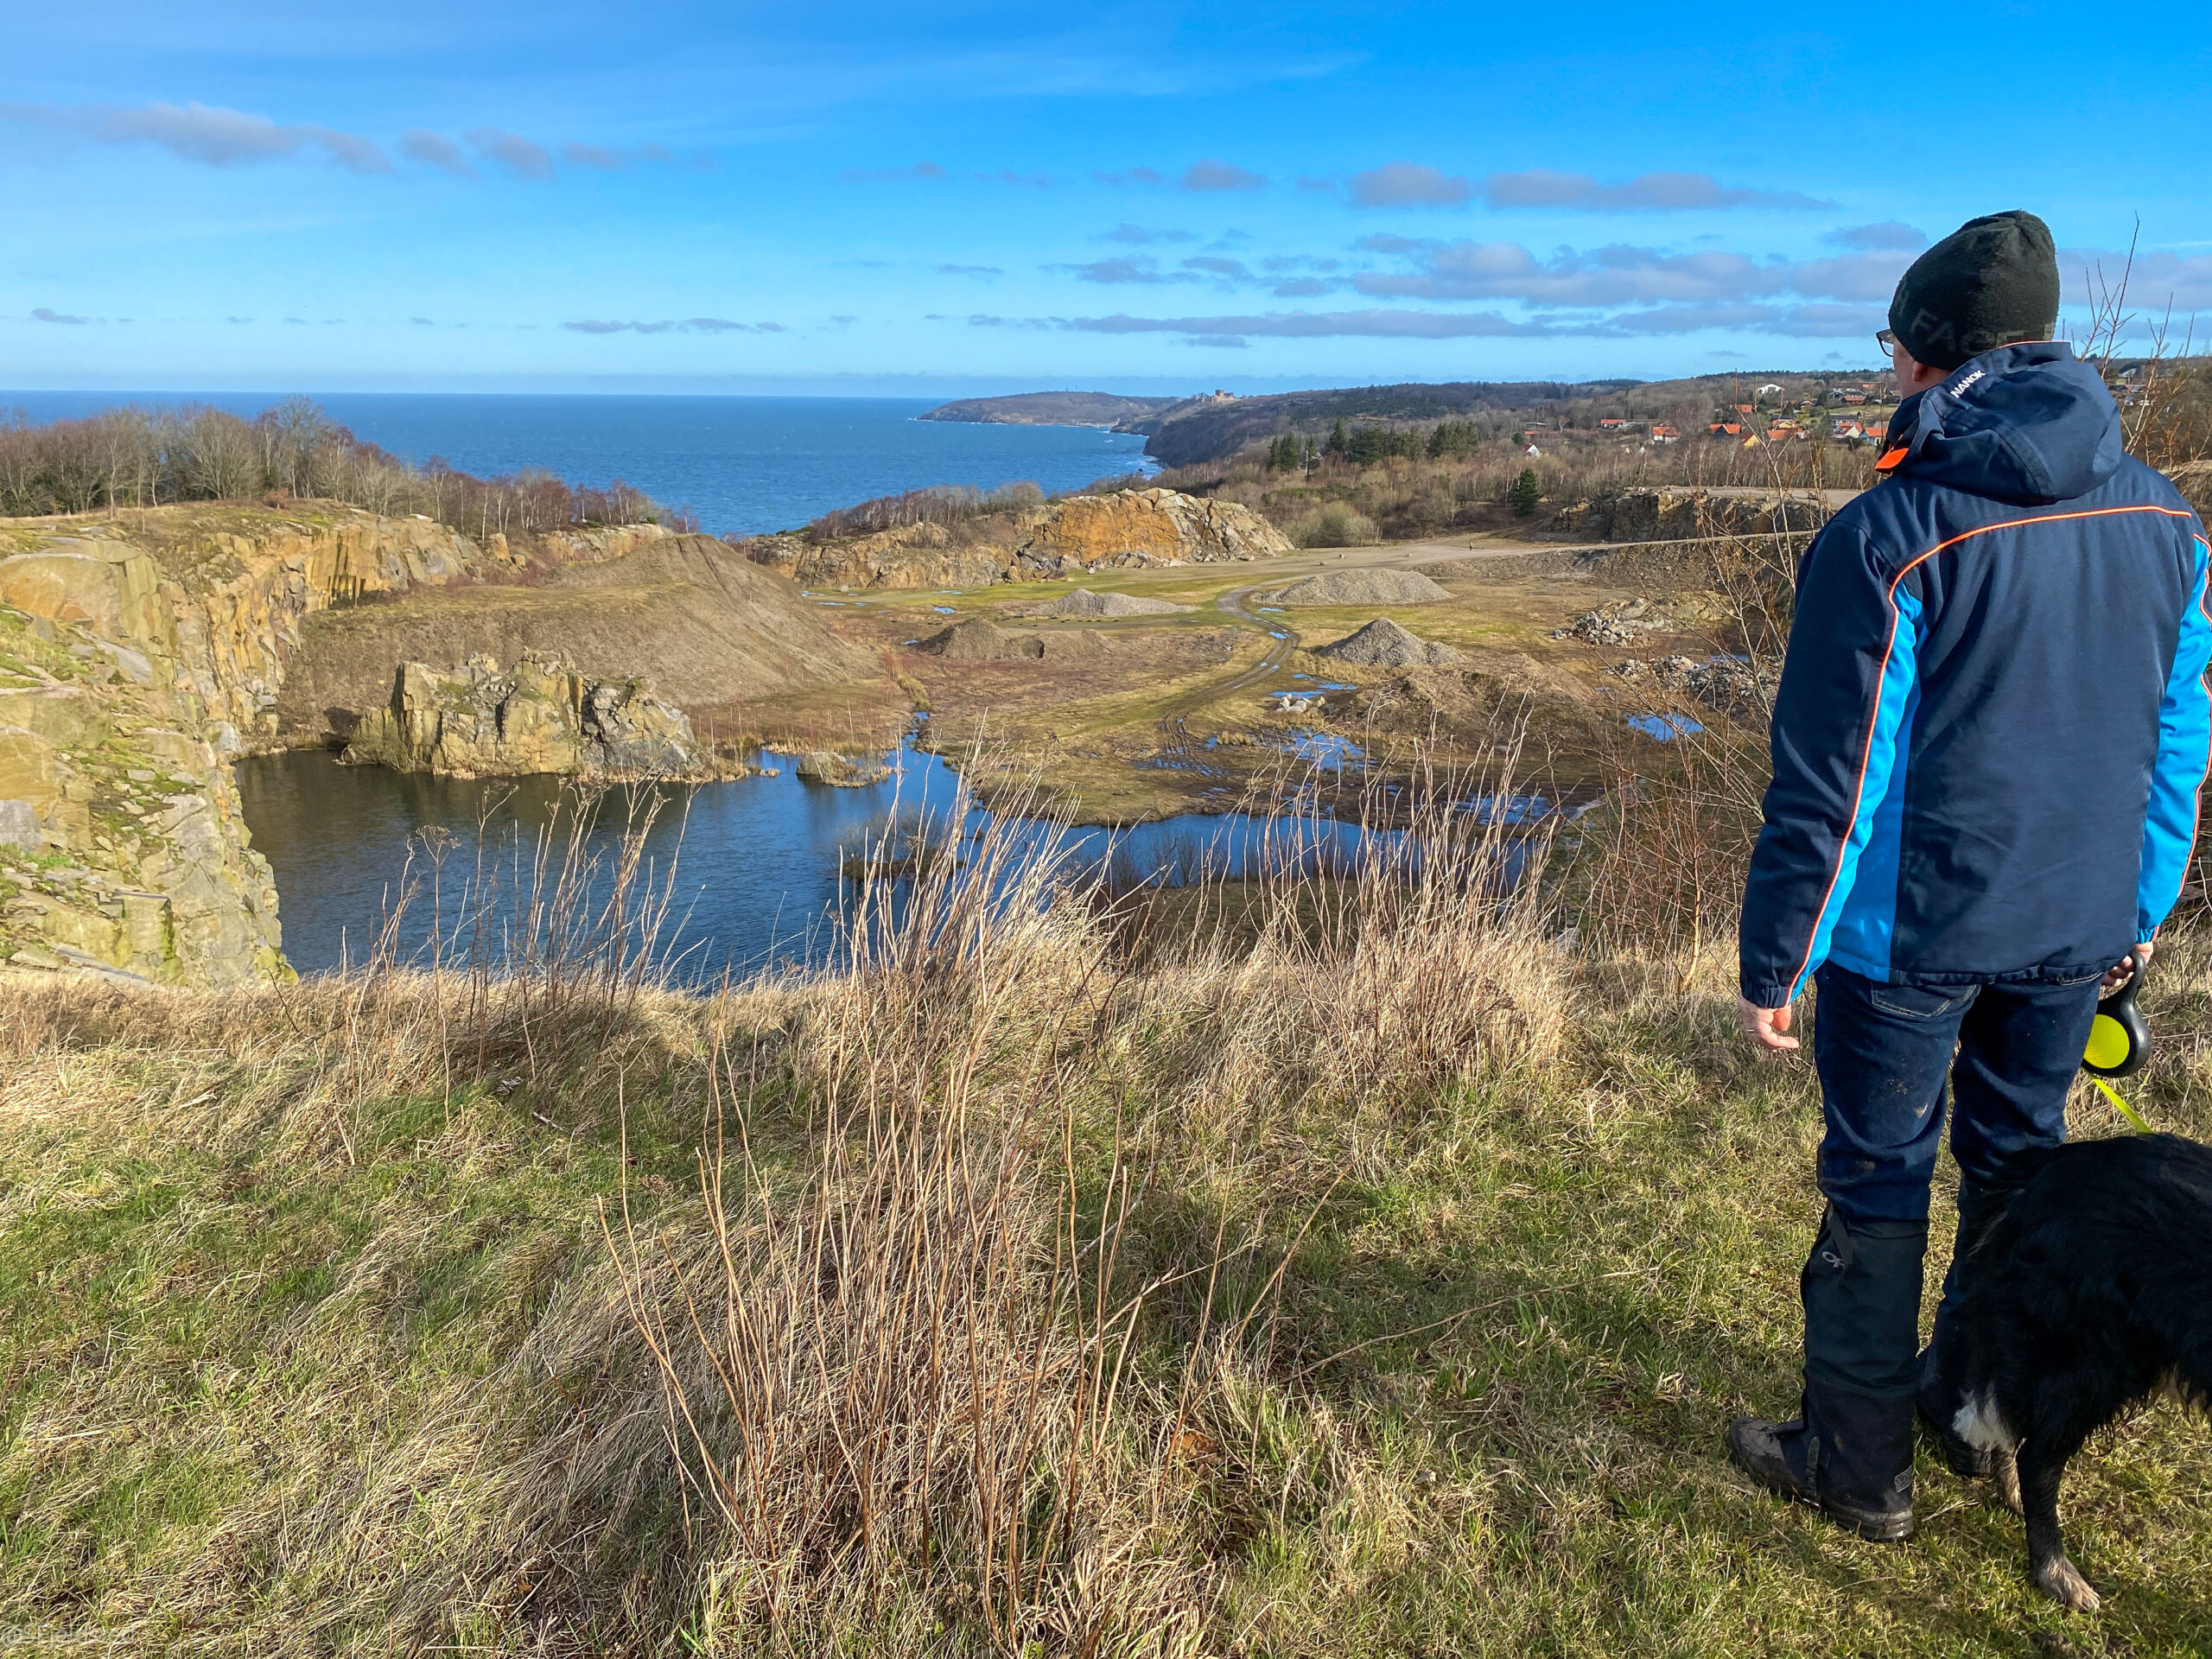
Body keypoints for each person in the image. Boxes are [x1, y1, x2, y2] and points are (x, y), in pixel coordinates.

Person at [1726, 210, 2212, 1540]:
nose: (1887, 368)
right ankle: (1963, 1409)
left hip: (1911, 938)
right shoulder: (2169, 522)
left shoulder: (1892, 534)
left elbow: (1835, 781)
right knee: (2017, 1172)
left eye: (1892, 343)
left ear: (1933, 354)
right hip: (2076, 925)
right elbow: (2180, 744)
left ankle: (1857, 1465)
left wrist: (1779, 959)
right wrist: (2141, 908)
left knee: (1879, 1184)